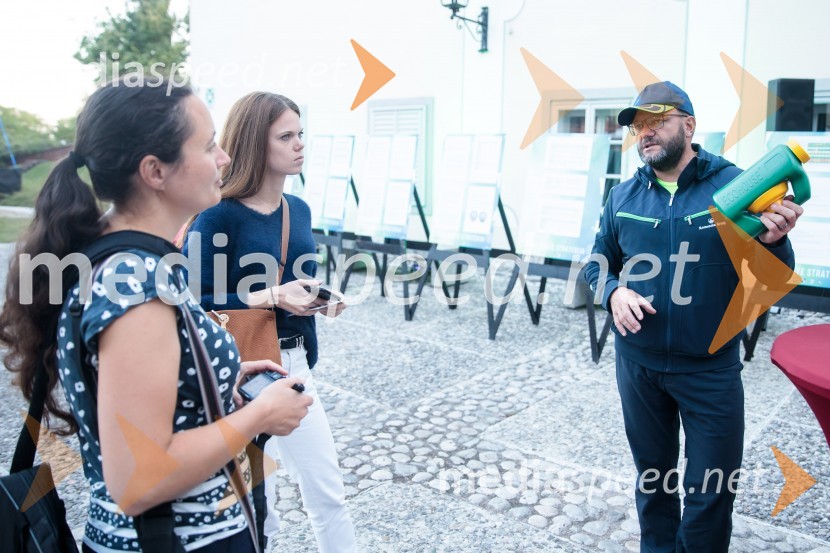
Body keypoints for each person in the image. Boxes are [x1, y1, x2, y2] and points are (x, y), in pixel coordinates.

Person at [0, 79, 312, 552]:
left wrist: (214, 380)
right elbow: (140, 479)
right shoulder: (134, 284)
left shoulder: (129, 260)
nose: (224, 158)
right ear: (155, 171)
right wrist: (260, 414)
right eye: (208, 146)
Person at [584, 81, 804, 551]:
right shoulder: (622, 197)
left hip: (710, 370)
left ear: (689, 124)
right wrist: (613, 292)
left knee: (711, 495)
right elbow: (596, 261)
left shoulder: (735, 185)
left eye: (655, 120)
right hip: (639, 367)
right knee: (653, 482)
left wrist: (775, 240)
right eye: (638, 125)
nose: (644, 132)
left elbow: (774, 275)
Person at [184, 91, 357, 553]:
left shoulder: (298, 210)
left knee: (327, 491)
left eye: (301, 134)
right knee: (261, 505)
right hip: (241, 373)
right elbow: (191, 300)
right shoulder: (217, 215)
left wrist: (320, 299)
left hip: (296, 365)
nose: (299, 144)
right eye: (286, 136)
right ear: (254, 144)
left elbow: (297, 279)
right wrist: (272, 295)